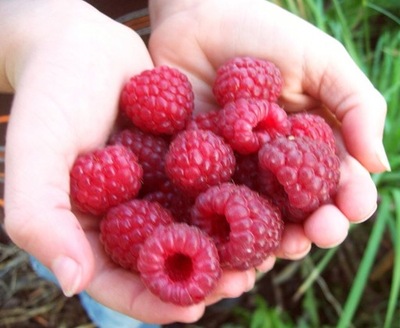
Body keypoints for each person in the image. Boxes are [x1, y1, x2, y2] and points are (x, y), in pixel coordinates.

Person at [0, 0, 390, 327]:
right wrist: (33, 35)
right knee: (66, 256)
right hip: (42, 168)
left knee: (100, 273)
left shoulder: (225, 178)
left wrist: (193, 7)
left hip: (101, 161)